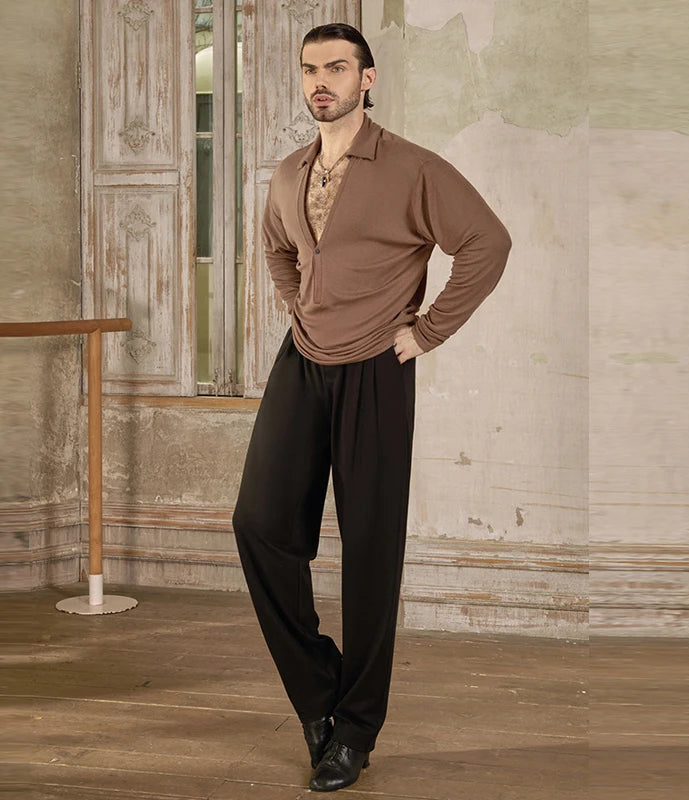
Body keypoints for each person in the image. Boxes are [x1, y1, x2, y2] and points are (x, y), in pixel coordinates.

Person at [233, 22, 511, 793]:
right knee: (259, 524)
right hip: (303, 360)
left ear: (368, 78)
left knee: (369, 550)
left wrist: (427, 331)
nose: (320, 81)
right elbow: (277, 247)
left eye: (337, 67)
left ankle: (354, 731)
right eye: (309, 69)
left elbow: (487, 242)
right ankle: (318, 692)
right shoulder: (289, 171)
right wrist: (297, 304)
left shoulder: (412, 169)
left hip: (377, 370)